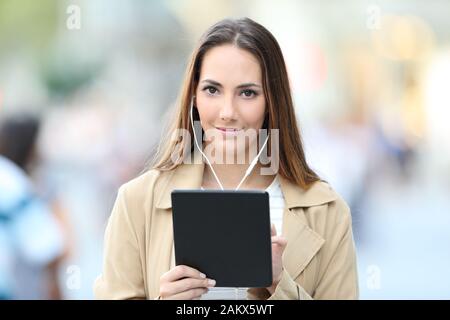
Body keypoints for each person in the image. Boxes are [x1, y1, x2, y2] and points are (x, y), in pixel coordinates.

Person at [94, 17, 359, 300]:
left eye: (247, 93)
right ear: (193, 96)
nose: (227, 111)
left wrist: (278, 284)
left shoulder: (327, 211)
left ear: (273, 100)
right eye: (212, 90)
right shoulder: (137, 202)